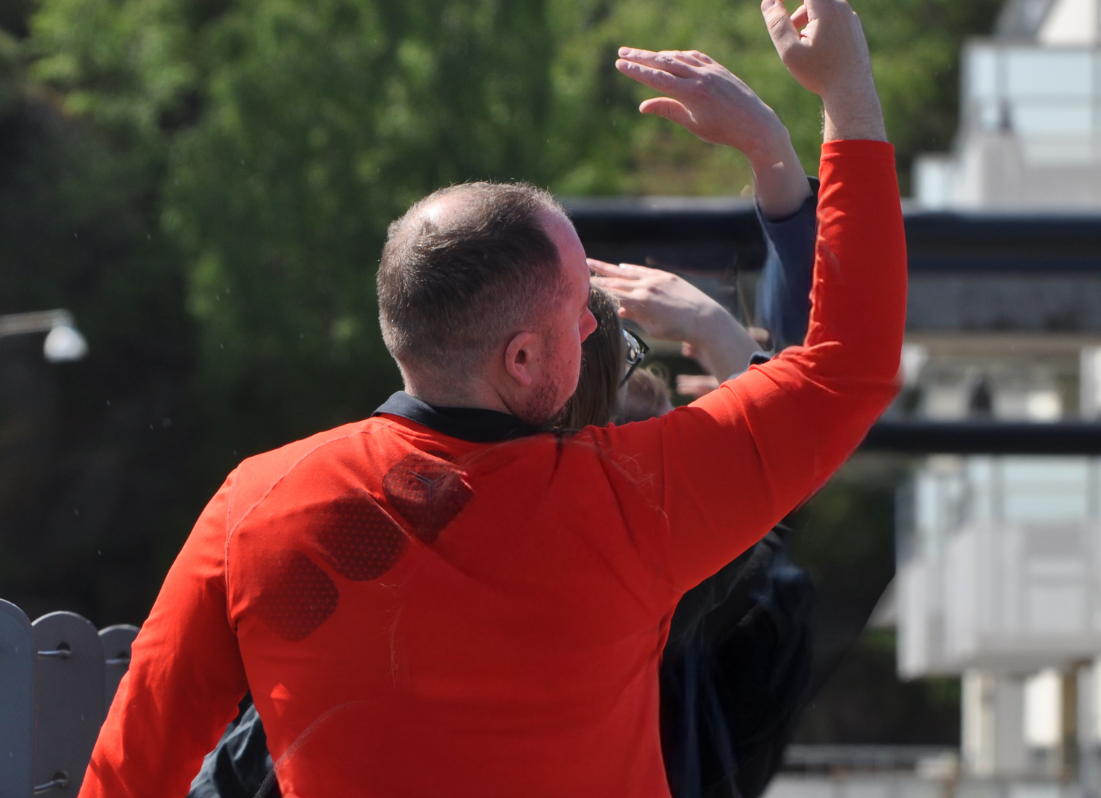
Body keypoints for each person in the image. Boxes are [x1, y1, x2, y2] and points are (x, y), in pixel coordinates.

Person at [81, 0, 906, 795]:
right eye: (579, 312)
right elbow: (846, 367)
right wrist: (845, 92)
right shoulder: (631, 501)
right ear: (520, 358)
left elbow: (132, 771)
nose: (595, 324)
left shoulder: (255, 506)